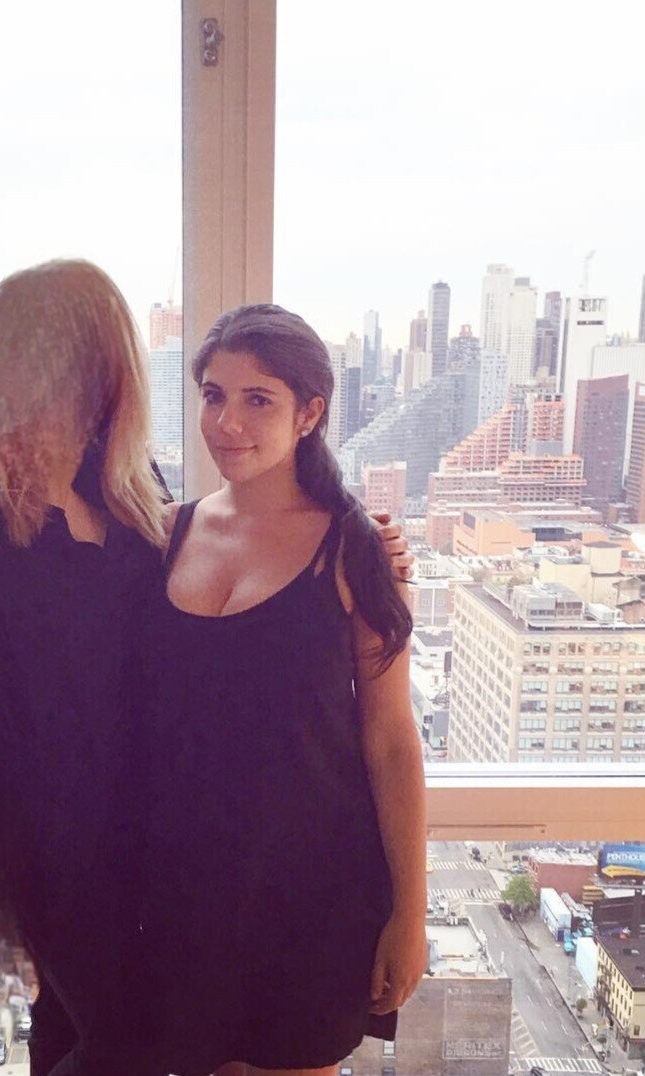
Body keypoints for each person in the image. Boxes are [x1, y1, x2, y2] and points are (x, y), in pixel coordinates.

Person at [0, 261, 414, 1076]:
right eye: (214, 395)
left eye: (72, 351)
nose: (51, 375)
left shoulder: (135, 490)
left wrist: (368, 549)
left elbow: (358, 723)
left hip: (175, 873)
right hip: (48, 875)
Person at [137, 303, 429, 1076]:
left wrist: (410, 913)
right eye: (212, 395)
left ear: (310, 413)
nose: (226, 422)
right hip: (178, 898)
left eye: (257, 399)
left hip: (312, 900)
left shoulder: (356, 550)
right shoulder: (162, 535)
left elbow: (391, 742)